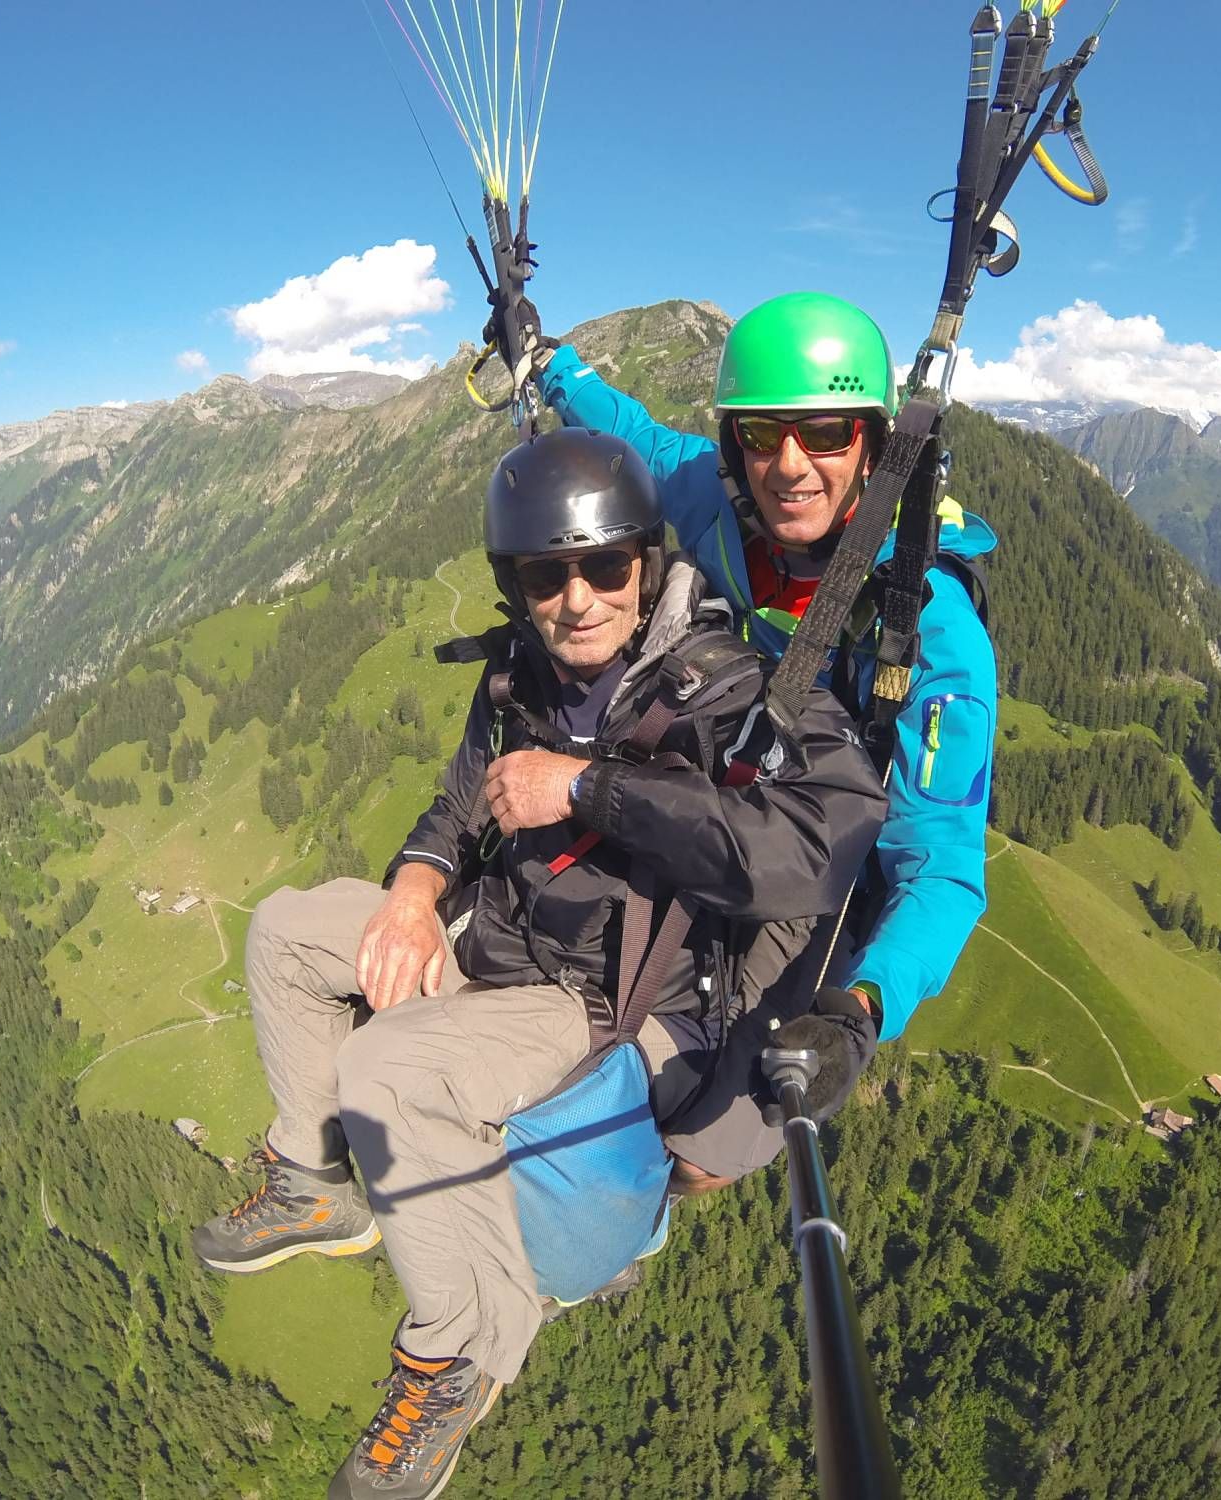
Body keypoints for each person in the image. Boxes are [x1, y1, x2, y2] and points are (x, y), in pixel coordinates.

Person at [192, 428, 886, 1499]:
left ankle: (458, 1353)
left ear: (646, 562)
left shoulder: (723, 690)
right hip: (496, 941)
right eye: (543, 574)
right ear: (515, 584)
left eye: (603, 566)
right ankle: (316, 1180)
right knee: (288, 930)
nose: (577, 598)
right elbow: (460, 800)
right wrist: (419, 889)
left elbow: (816, 845)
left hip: (602, 996)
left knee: (385, 1072)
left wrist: (590, 790)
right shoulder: (520, 675)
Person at [525, 292, 999, 1084]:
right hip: (738, 800)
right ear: (733, 443)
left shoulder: (933, 635)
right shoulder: (724, 504)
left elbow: (942, 866)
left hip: (831, 857)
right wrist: (550, 366)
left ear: (877, 447)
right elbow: (631, 431)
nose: (787, 466)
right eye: (759, 433)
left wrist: (861, 1008)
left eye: (823, 433)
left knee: (710, 1144)